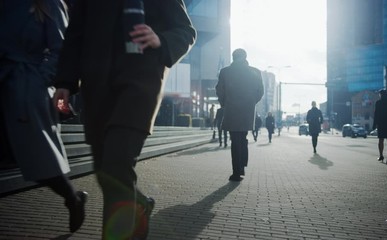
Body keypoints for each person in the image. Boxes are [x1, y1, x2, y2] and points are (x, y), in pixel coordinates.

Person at [52, 0, 196, 239]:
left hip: (140, 85)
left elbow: (186, 31)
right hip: (97, 88)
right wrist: (64, 84)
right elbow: (75, 36)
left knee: (116, 165)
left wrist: (161, 39)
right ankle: (139, 204)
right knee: (106, 173)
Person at [0, 0, 87, 233]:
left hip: (26, 88)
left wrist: (40, 80)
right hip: (6, 82)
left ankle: (73, 198)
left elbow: (63, 49)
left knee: (37, 158)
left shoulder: (49, 4)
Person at [216, 48, 264, 182]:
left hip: (231, 109)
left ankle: (236, 172)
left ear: (233, 57)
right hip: (247, 110)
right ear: (245, 57)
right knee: (242, 137)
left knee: (235, 139)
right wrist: (251, 102)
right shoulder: (255, 72)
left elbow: (220, 90)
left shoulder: (225, 72)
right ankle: (241, 166)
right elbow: (260, 91)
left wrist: (224, 103)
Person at [372, 89, 387, 164]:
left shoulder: (378, 103)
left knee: (381, 140)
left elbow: (376, 114)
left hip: (381, 124)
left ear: (380, 95)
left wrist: (374, 124)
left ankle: (381, 155)